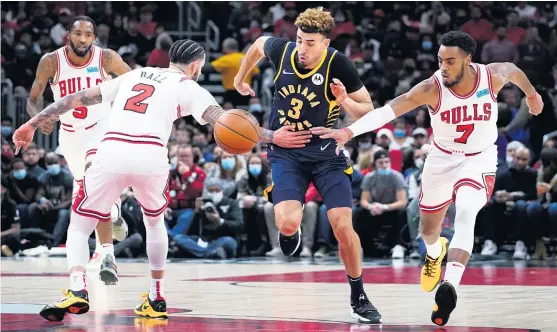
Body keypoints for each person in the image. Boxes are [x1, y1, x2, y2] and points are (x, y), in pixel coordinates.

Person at [12, 39, 281, 323]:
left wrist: (31, 124)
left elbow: (75, 99)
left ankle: (77, 288)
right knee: (154, 223)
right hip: (151, 156)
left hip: (112, 151)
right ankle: (156, 296)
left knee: (79, 225)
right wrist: (273, 136)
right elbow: (224, 120)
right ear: (195, 65)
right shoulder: (188, 86)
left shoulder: (135, 74)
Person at [310, 31, 544, 326]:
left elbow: (515, 72)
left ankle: (451, 286)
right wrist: (348, 131)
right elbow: (387, 112)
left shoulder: (492, 76)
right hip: (442, 159)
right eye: (439, 59)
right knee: (429, 230)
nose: (443, 66)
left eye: (450, 61)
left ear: (467, 61)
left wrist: (532, 95)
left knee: (467, 212)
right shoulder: (430, 88)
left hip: (479, 158)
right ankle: (435, 252)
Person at [233, 7, 381, 324]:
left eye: (310, 42)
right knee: (285, 225)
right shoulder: (284, 51)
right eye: (300, 40)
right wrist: (240, 76)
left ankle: (359, 295)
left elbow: (369, 112)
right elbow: (259, 43)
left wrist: (344, 102)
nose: (303, 49)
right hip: (286, 153)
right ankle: (292, 230)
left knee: (343, 226)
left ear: (325, 44)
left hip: (327, 153)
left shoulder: (339, 64)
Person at [26, 16, 131, 284]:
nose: (82, 39)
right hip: (70, 136)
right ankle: (112, 222)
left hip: (101, 127)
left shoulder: (106, 58)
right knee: (90, 194)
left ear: (94, 37)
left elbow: (134, 84)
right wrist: (40, 119)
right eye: (77, 34)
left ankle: (108, 254)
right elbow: (33, 99)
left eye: (87, 34)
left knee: (94, 181)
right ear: (69, 35)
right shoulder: (51, 61)